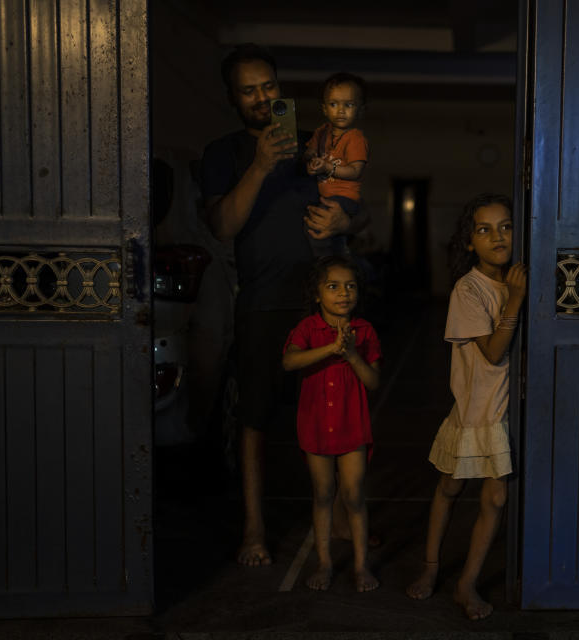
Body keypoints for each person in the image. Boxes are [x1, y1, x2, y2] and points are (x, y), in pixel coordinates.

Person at [201, 44, 368, 567]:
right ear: (232, 98)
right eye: (248, 90)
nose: (261, 97)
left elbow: (352, 211)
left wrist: (344, 223)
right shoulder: (223, 154)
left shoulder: (314, 144)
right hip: (262, 304)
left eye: (267, 86)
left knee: (338, 411)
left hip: (322, 305)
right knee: (255, 418)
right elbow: (223, 225)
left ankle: (343, 515)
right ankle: (254, 530)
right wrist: (258, 167)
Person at [406, 193, 527, 619]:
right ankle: (430, 568)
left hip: (506, 412)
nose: (497, 236)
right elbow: (494, 353)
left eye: (506, 226)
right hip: (474, 410)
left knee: (495, 498)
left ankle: (466, 584)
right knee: (450, 487)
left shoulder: (518, 277)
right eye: (484, 229)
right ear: (469, 242)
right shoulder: (468, 289)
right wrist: (513, 301)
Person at [282, 256, 381, 592]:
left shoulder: (365, 331)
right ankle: (324, 563)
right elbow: (289, 361)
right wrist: (330, 348)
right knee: (323, 493)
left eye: (350, 286)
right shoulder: (308, 329)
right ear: (317, 294)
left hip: (351, 424)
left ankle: (360, 565)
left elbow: (373, 382)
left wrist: (351, 353)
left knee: (353, 495)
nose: (343, 293)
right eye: (333, 286)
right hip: (315, 423)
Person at [303, 73, 370, 256]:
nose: (340, 110)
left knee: (320, 231)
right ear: (324, 108)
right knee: (330, 233)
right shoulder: (321, 132)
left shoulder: (355, 138)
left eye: (348, 105)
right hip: (327, 195)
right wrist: (311, 161)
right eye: (334, 104)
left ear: (360, 110)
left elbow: (356, 171)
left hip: (344, 197)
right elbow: (310, 152)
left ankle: (329, 262)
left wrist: (327, 168)